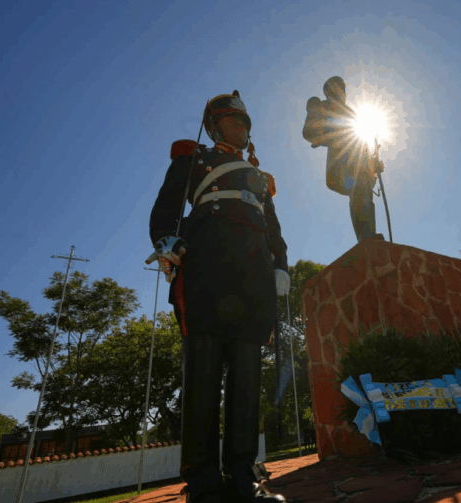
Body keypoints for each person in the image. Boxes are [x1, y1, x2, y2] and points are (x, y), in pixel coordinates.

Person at [147, 90, 289, 503]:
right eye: (233, 120)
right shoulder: (193, 159)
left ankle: (245, 474)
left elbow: (273, 228)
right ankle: (204, 482)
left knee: (247, 374)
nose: (242, 127)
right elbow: (166, 208)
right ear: (213, 125)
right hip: (206, 267)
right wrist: (166, 239)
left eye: (245, 121)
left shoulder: (260, 179)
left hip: (253, 275)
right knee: (204, 371)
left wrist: (280, 265)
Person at [302, 75, 384, 242]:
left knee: (365, 192)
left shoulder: (353, 114)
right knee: (359, 187)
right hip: (340, 165)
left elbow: (362, 142)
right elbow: (309, 132)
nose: (341, 91)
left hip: (360, 164)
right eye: (336, 87)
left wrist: (374, 164)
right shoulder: (323, 106)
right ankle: (366, 236)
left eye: (342, 88)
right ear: (328, 91)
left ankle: (369, 236)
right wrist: (327, 134)